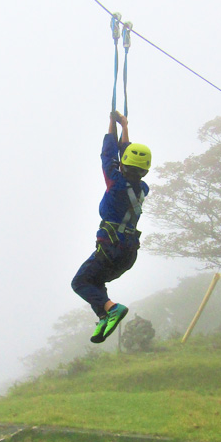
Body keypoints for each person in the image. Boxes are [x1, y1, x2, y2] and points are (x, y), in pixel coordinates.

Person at [71, 110, 151, 343]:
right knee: (96, 281)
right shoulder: (143, 189)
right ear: (145, 170)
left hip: (111, 249)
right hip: (128, 253)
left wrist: (111, 124)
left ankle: (112, 308)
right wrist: (124, 126)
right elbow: (126, 155)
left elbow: (108, 154)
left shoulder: (115, 183)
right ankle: (104, 316)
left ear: (124, 164)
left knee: (81, 282)